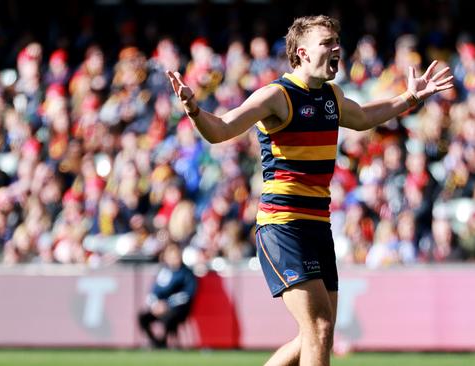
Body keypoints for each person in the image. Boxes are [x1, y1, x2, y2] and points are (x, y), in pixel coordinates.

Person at [166, 15, 453, 366]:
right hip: (283, 225)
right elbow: (221, 129)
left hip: (317, 225)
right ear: (302, 53)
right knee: (318, 327)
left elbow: (363, 116)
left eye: (337, 41)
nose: (336, 48)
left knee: (318, 332)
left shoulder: (331, 95)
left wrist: (410, 98)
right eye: (327, 43)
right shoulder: (277, 96)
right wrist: (194, 109)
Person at [138, 243, 197, 348]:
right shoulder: (164, 272)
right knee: (143, 317)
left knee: (169, 317)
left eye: (176, 255)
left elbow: (187, 294)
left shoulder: (186, 273)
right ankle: (156, 342)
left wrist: (167, 304)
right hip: (160, 307)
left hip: (178, 309)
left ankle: (164, 341)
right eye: (171, 256)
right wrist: (155, 305)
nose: (175, 259)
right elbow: (154, 291)